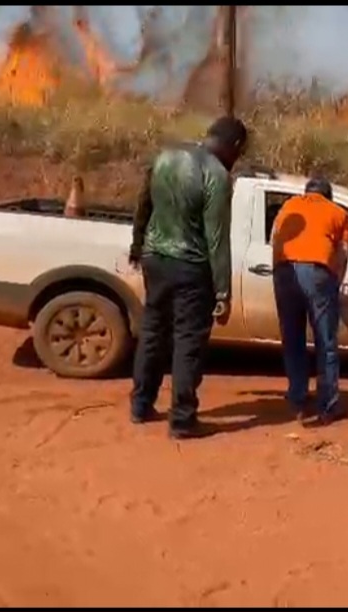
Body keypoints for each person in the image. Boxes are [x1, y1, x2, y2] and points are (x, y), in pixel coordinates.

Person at [128, 116, 249, 440]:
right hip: (191, 266)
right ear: (234, 146)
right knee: (188, 342)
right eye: (239, 152)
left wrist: (138, 244)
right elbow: (217, 239)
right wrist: (223, 292)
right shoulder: (217, 176)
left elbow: (143, 205)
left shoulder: (165, 156)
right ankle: (181, 419)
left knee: (152, 331)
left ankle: (140, 405)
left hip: (155, 258)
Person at [270, 177, 348, 425]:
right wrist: (335, 282)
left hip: (283, 271)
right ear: (328, 195)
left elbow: (276, 237)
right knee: (325, 340)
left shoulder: (288, 205)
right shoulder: (339, 213)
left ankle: (297, 398)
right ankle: (328, 404)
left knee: (292, 337)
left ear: (307, 192)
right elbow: (344, 253)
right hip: (317, 271)